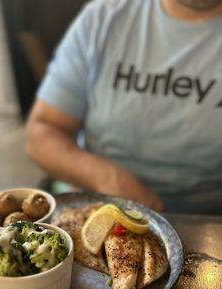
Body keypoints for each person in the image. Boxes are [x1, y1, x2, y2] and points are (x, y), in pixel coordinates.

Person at [26, 0, 222, 214]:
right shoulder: (102, 18)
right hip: (98, 204)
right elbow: (42, 130)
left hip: (206, 217)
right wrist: (105, 176)